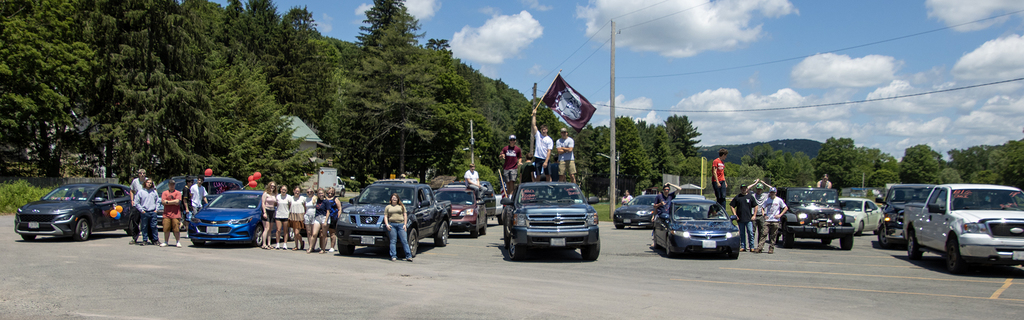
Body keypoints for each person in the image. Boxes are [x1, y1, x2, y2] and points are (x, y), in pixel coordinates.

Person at [755, 187, 788, 254]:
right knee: (764, 234)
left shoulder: (779, 200)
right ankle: (760, 247)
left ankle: (771, 248)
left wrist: (780, 215)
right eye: (771, 192)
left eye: (773, 192)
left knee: (773, 235)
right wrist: (764, 215)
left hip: (775, 220)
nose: (772, 194)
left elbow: (785, 208)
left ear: (775, 193)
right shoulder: (767, 200)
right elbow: (762, 208)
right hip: (768, 219)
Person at [384, 193, 413, 262]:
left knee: (404, 241)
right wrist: (387, 224)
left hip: (401, 225)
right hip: (392, 225)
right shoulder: (388, 207)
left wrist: (405, 225)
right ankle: (393, 256)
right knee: (393, 241)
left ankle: (408, 256)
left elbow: (405, 215)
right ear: (391, 199)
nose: (394, 199)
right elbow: (385, 216)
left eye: (395, 198)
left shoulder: (401, 206)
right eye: (393, 197)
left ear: (397, 199)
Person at [729, 184, 756, 252]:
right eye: (742, 188)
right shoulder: (738, 197)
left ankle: (752, 246)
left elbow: (756, 205)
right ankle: (743, 246)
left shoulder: (750, 196)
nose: (744, 189)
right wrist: (735, 215)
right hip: (740, 219)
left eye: (745, 188)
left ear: (747, 189)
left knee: (750, 232)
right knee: (742, 233)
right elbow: (732, 206)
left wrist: (754, 215)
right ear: (740, 189)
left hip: (749, 218)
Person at [133, 179, 160, 246]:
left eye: (150, 183)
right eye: (148, 182)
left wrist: (156, 209)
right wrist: (142, 210)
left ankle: (155, 240)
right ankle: (145, 240)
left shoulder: (154, 192)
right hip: (145, 212)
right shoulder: (141, 192)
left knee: (154, 227)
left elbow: (158, 201)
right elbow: (137, 202)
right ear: (145, 183)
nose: (149, 184)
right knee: (144, 227)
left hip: (153, 212)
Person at [531, 107, 553, 182]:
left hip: (545, 158)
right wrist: (534, 115)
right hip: (538, 158)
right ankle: (537, 188)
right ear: (541, 130)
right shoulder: (538, 135)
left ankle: (549, 187)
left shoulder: (549, 140)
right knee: (538, 175)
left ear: (547, 130)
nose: (544, 131)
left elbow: (549, 151)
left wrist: (546, 161)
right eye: (542, 130)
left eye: (545, 130)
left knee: (548, 175)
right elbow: (534, 125)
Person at [160, 180, 183, 247]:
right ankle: (166, 241)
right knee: (166, 228)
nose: (172, 186)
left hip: (175, 214)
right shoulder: (165, 193)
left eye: (173, 184)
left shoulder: (178, 193)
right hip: (166, 214)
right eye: (170, 184)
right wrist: (171, 202)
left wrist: (168, 202)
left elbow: (177, 202)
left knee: (176, 229)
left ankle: (178, 241)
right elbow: (163, 202)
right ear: (168, 185)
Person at [128, 169, 146, 245]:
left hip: (145, 204)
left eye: (143, 173)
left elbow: (154, 190)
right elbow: (132, 190)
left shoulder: (148, 181)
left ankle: (147, 239)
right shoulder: (135, 181)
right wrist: (132, 200)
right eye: (140, 173)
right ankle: (134, 238)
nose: (142, 174)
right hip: (137, 204)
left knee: (146, 223)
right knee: (135, 221)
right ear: (138, 174)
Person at [322, 187, 342, 253]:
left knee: (332, 233)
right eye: (329, 191)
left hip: (333, 217)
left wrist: (338, 216)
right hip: (325, 217)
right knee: (322, 232)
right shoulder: (324, 198)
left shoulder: (335, 199)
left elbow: (339, 209)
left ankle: (332, 247)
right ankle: (322, 246)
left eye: (332, 191)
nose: (330, 193)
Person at [260, 181, 278, 250]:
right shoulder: (265, 194)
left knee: (270, 229)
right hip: (266, 210)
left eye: (273, 186)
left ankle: (269, 243)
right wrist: (264, 212)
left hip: (272, 210)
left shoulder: (274, 194)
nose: (272, 187)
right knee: (266, 228)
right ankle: (263, 244)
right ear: (269, 186)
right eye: (271, 186)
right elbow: (263, 203)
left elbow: (276, 203)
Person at [303, 187, 321, 253]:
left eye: (310, 191)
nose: (309, 193)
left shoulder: (315, 198)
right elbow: (304, 207)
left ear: (313, 192)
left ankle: (312, 246)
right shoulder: (306, 199)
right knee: (308, 232)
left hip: (314, 216)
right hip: (307, 215)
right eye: (308, 192)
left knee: (314, 233)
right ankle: (310, 246)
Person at [288, 186, 306, 251]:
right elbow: (289, 206)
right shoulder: (291, 198)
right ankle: (296, 246)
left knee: (296, 233)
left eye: (298, 191)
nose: (297, 192)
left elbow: (305, 207)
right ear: (293, 191)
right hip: (293, 215)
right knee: (294, 232)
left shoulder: (302, 198)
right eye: (296, 191)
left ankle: (301, 241)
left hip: (300, 216)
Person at [274, 185, 291, 250]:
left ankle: (285, 243)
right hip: (278, 215)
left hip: (286, 215)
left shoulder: (288, 197)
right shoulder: (277, 196)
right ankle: (277, 243)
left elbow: (290, 205)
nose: (284, 191)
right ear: (280, 190)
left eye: (285, 190)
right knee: (278, 230)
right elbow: (275, 204)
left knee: (285, 230)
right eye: (282, 189)